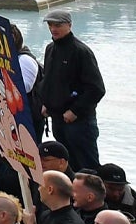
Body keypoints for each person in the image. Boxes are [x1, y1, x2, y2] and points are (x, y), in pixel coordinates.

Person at [36, 12, 104, 172]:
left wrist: (75, 111)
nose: (53, 29)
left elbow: (96, 88)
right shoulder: (50, 49)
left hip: (79, 122)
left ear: (69, 25)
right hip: (57, 119)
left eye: (58, 25)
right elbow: (49, 79)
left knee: (87, 166)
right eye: (50, 25)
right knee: (65, 166)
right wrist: (46, 103)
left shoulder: (81, 52)